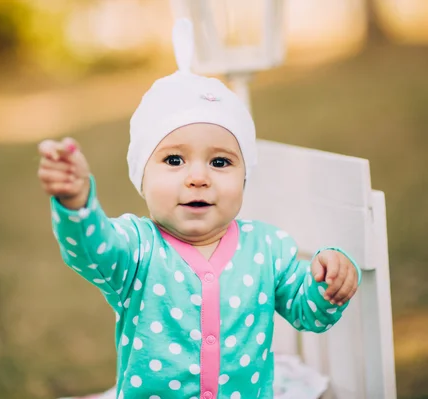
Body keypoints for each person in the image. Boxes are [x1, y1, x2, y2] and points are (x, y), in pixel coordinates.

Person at [37, 19, 361, 399]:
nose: (197, 177)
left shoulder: (267, 248)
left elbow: (307, 312)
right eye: (174, 160)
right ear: (142, 177)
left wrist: (326, 284)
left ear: (243, 179)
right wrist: (76, 203)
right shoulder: (137, 249)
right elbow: (92, 249)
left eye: (220, 163)